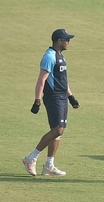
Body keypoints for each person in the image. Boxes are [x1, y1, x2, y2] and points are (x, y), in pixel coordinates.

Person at [22, 29, 80, 177]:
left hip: (62, 97)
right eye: (66, 39)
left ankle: (49, 165)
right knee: (57, 130)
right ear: (59, 41)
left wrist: (71, 97)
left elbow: (62, 81)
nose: (68, 42)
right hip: (53, 97)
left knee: (59, 132)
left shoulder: (61, 57)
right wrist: (37, 100)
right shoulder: (49, 56)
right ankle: (31, 158)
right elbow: (42, 80)